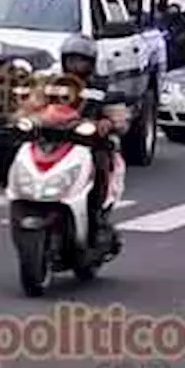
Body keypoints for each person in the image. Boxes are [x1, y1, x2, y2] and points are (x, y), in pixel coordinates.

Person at [42, 34, 129, 248]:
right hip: (54, 142)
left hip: (89, 145)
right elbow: (34, 105)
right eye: (71, 60)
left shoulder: (101, 87)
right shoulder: (51, 84)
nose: (75, 65)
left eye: (81, 60)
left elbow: (119, 119)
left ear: (91, 62)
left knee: (100, 164)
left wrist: (107, 123)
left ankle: (96, 217)